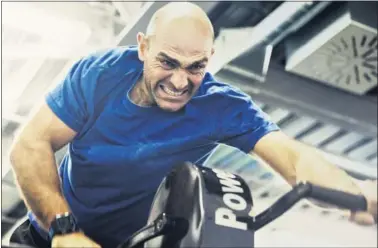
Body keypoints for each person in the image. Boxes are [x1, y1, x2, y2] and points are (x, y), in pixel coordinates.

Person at [9, 2, 377, 248]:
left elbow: (293, 158)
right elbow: (29, 147)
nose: (180, 82)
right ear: (143, 48)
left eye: (196, 66)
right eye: (167, 62)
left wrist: (352, 191)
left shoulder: (221, 105)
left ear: (209, 59)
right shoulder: (99, 76)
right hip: (50, 234)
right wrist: (65, 230)